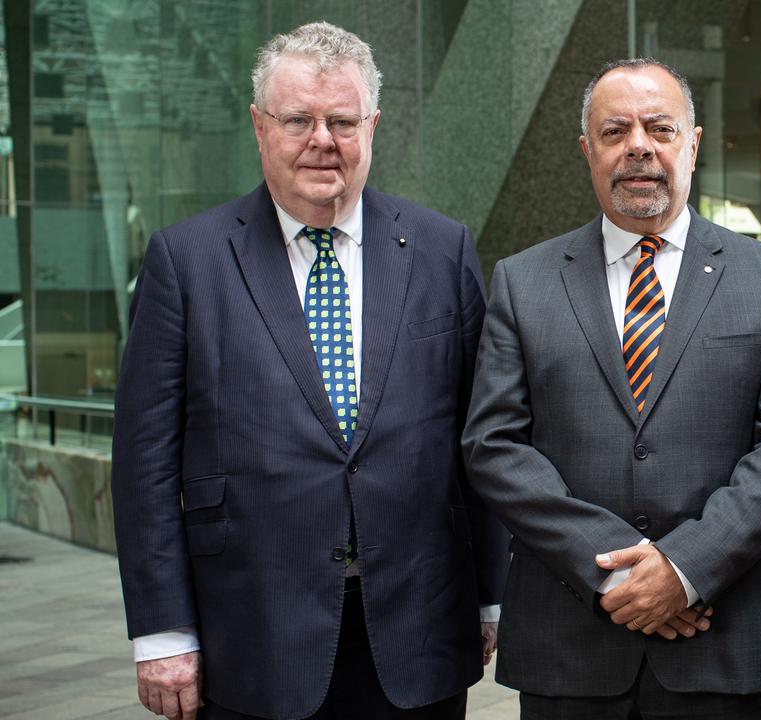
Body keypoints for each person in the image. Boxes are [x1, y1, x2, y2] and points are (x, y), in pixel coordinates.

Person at [111, 22, 507, 720]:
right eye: (298, 119)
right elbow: (144, 464)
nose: (322, 139)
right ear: (261, 127)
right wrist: (162, 632)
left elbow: (483, 438)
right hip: (252, 634)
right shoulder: (186, 262)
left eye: (342, 120)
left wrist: (492, 594)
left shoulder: (444, 250)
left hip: (417, 634)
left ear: (374, 126)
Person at [462, 58, 761, 719]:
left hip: (719, 638)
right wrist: (620, 574)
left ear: (694, 141)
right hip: (569, 645)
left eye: (660, 127)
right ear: (586, 150)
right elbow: (494, 445)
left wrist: (684, 569)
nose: (639, 148)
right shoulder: (523, 281)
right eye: (614, 130)